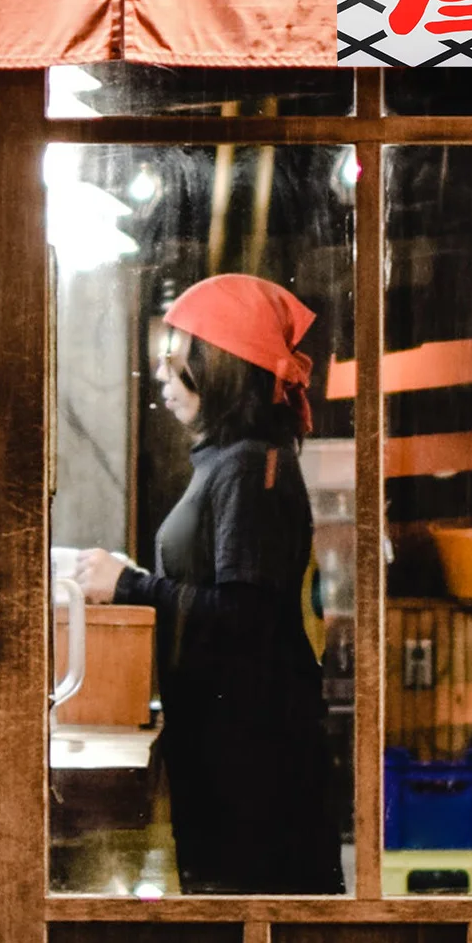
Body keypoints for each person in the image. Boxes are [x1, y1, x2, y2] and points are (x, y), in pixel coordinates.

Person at [77, 273, 343, 895]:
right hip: (228, 751)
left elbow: (242, 617)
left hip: (253, 765)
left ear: (219, 366)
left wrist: (130, 586)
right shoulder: (232, 462)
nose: (161, 377)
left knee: (247, 922)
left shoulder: (251, 467)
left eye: (175, 361)